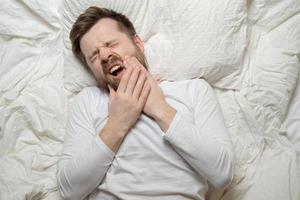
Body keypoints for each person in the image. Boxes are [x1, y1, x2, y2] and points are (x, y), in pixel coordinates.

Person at [57, 6, 234, 200]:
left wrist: (160, 109)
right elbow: (69, 190)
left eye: (111, 43)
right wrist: (117, 124)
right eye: (94, 56)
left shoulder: (193, 90)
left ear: (138, 44)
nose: (105, 55)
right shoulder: (88, 101)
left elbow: (223, 173)